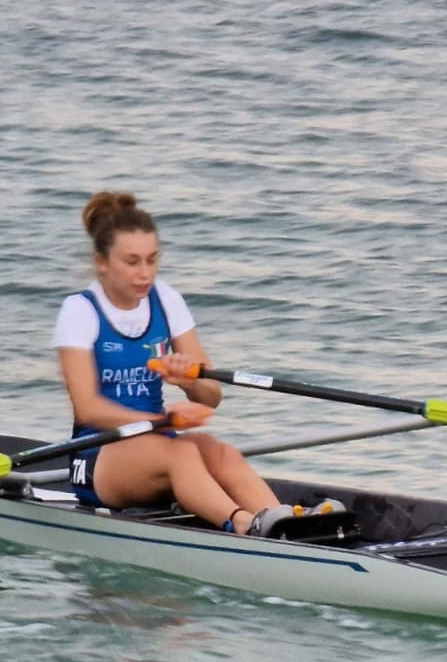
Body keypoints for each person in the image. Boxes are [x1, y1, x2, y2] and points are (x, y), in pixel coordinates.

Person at [53, 191, 297, 535]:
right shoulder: (80, 310)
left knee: (219, 451)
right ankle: (244, 526)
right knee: (181, 455)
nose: (144, 273)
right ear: (102, 262)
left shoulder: (166, 300)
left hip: (158, 441)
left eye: (152, 260)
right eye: (132, 262)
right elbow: (88, 408)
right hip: (97, 452)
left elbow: (211, 396)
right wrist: (163, 419)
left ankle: (286, 523)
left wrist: (186, 380)